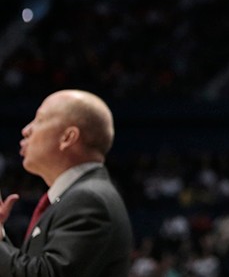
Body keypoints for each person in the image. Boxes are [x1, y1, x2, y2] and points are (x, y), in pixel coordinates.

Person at [0, 89, 133, 277]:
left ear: (68, 137)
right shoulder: (76, 197)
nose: (26, 130)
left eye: (38, 120)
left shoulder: (88, 199)